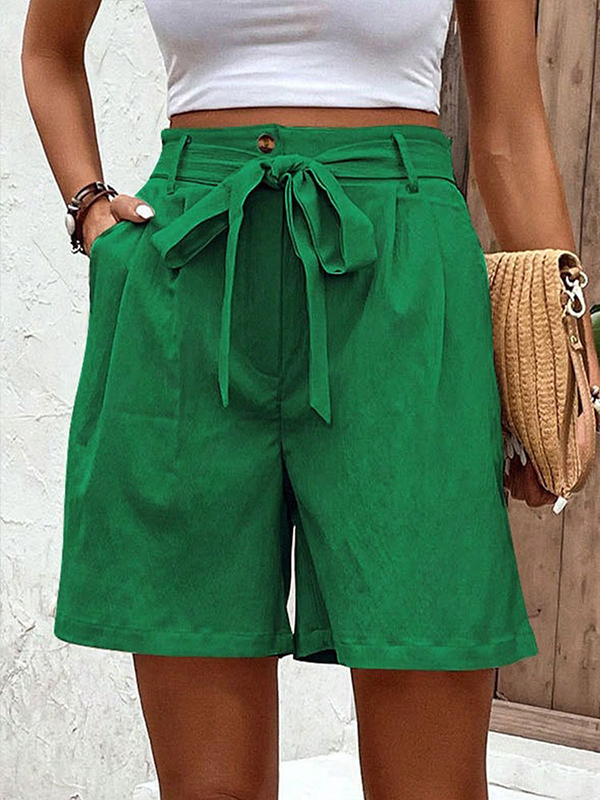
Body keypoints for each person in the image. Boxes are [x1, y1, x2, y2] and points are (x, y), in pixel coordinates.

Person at [22, 1, 585, 798]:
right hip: (192, 271)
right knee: (207, 790)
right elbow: (48, 51)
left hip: (399, 278)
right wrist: (90, 214)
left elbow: (510, 130)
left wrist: (563, 361)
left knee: (432, 783)